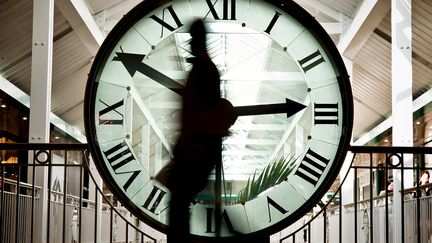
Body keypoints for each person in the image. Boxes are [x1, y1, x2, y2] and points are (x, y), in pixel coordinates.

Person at [167, 19, 236, 243]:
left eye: (193, 38)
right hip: (198, 150)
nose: (190, 42)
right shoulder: (206, 69)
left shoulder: (202, 70)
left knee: (179, 203)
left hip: (194, 151)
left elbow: (202, 112)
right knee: (181, 202)